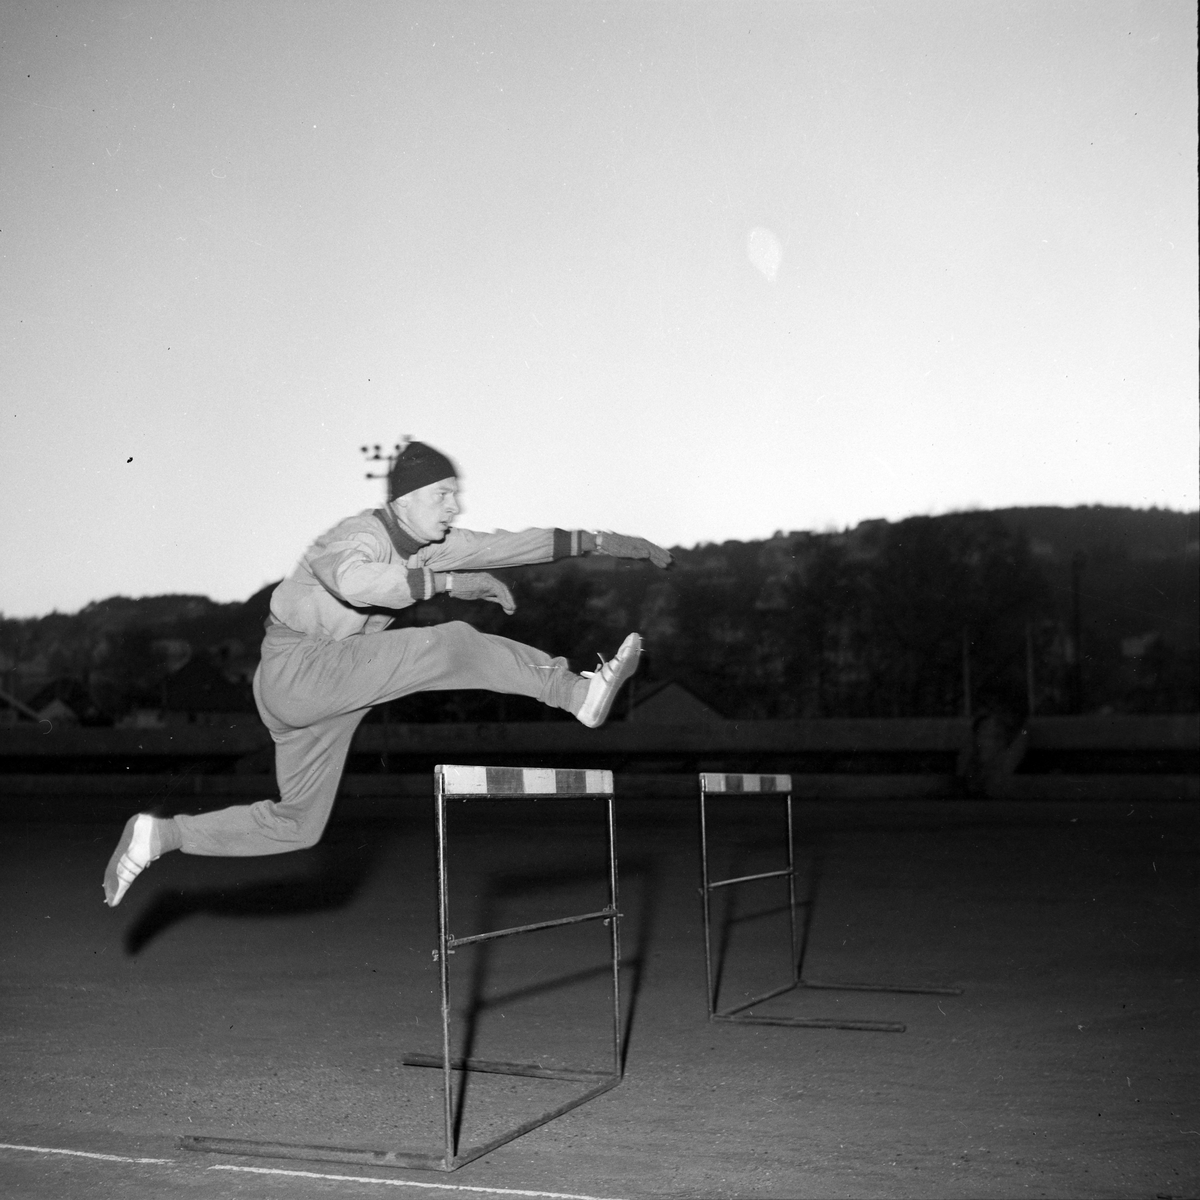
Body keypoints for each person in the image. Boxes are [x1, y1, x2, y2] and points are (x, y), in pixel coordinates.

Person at [103, 440, 672, 907]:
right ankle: (573, 692)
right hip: (298, 668)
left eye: (456, 496)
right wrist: (449, 585)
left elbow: (510, 544)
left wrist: (602, 542)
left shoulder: (431, 544)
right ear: (405, 500)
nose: (455, 508)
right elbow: (355, 582)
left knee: (298, 824)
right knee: (451, 643)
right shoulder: (355, 536)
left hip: (326, 695)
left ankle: (161, 835)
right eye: (444, 496)